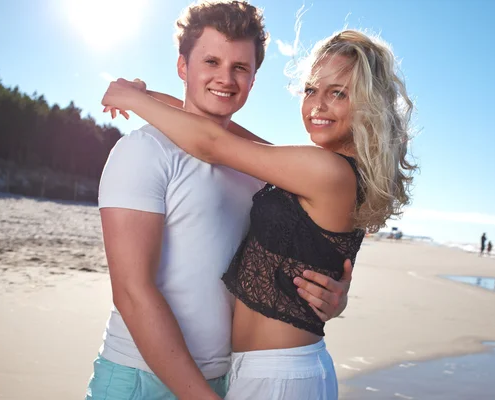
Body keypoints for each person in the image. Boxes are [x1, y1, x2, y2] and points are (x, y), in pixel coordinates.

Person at [102, 26, 416, 399]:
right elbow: (226, 132)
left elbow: (214, 142)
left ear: (369, 104)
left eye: (338, 94)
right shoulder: (324, 166)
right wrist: (151, 96)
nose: (317, 106)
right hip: (266, 370)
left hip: (279, 376)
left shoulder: (326, 171)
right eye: (312, 90)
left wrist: (132, 99)